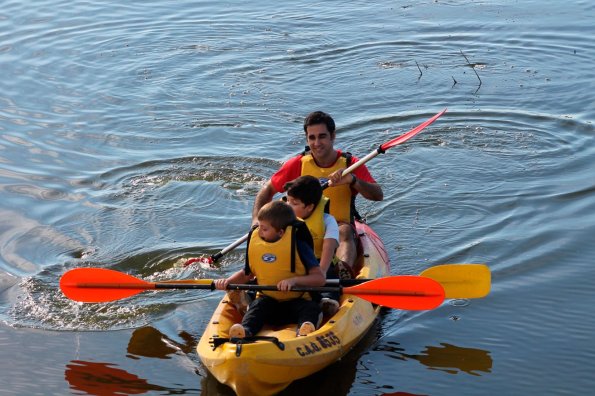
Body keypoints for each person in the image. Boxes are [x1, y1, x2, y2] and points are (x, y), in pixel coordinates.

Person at [252, 111, 383, 275]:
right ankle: (259, 274)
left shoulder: (350, 164)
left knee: (344, 231)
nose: (317, 143)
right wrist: (257, 220)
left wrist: (353, 180)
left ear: (332, 136)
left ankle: (342, 271)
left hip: (339, 226)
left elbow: (378, 195)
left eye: (322, 136)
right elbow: (267, 191)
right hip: (302, 226)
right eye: (311, 138)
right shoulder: (297, 164)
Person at [214, 200, 325, 338]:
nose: (259, 232)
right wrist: (227, 282)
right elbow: (247, 274)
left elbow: (319, 278)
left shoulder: (299, 245)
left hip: (298, 302)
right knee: (257, 306)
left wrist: (294, 281)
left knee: (311, 308)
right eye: (259, 226)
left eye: (265, 229)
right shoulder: (257, 243)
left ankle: (305, 330)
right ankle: (245, 331)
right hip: (269, 302)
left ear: (280, 232)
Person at [284, 175, 341, 316]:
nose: (288, 206)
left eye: (294, 203)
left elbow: (327, 252)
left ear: (309, 207)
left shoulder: (328, 221)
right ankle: (251, 294)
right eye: (287, 201)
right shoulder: (282, 218)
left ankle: (326, 301)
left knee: (327, 280)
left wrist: (318, 276)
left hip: (319, 265)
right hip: (291, 264)